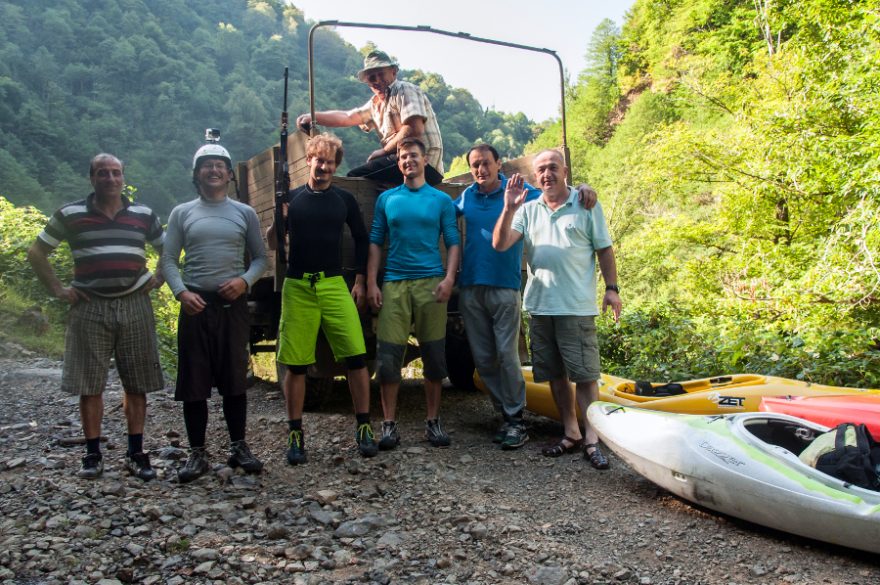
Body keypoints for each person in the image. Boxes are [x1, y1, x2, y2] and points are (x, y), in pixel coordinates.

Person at [27, 153, 165, 481]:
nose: (110, 179)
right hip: (89, 306)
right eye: (103, 173)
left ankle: (136, 452)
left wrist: (159, 277)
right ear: (92, 178)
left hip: (135, 303)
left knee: (137, 381)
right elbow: (36, 252)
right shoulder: (70, 214)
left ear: (123, 177)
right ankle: (92, 453)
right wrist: (59, 289)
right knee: (90, 384)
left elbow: (168, 248)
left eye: (116, 173)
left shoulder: (143, 214)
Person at [455, 144, 597, 450]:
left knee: (507, 356)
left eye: (486, 163)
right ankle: (506, 415)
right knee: (483, 359)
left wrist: (582, 188)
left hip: (506, 285)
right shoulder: (466, 196)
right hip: (470, 286)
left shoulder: (521, 192)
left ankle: (516, 419)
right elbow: (442, 213)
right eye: (475, 165)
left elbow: (555, 191)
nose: (481, 170)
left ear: (498, 165)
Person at [492, 149, 621, 469]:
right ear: (536, 177)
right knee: (555, 375)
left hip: (576, 306)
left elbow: (604, 250)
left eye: (552, 167)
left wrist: (612, 289)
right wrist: (508, 208)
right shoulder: (528, 208)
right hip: (540, 305)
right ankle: (571, 431)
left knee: (586, 375)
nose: (547, 174)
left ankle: (593, 438)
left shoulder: (586, 203)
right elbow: (500, 243)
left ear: (564, 171)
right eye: (541, 170)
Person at [265, 133, 378, 464]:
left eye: (330, 162)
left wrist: (359, 279)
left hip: (333, 284)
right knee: (297, 365)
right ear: (308, 161)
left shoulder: (343, 199)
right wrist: (279, 217)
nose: (324, 166)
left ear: (335, 165)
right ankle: (295, 434)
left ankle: (364, 427)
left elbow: (361, 238)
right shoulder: (293, 199)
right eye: (320, 160)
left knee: (356, 357)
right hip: (298, 286)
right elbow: (274, 243)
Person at [159, 139, 268, 483]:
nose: (213, 170)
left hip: (232, 305)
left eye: (219, 165)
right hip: (195, 305)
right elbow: (168, 260)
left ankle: (238, 446)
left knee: (235, 379)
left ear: (228, 173)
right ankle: (197, 453)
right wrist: (180, 293)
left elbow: (261, 259)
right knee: (194, 381)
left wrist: (244, 281)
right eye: (206, 165)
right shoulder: (182, 213)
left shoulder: (244, 213)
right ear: (197, 174)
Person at [366, 137, 460, 449]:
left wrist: (449, 279)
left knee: (434, 356)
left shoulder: (441, 200)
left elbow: (453, 241)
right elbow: (376, 241)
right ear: (399, 162)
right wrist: (371, 283)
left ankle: (433, 422)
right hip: (394, 284)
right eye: (403, 156)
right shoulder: (387, 199)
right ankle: (389, 424)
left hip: (431, 284)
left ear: (424, 160)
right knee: (389, 357)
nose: (408, 161)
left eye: (414, 156)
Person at [296, 50, 444, 186]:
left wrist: (384, 151)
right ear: (367, 82)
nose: (377, 80)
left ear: (393, 72)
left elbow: (414, 128)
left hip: (424, 164)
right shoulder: (376, 104)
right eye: (372, 77)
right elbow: (347, 117)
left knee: (354, 178)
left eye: (381, 74)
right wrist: (312, 116)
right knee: (367, 175)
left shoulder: (404, 90)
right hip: (402, 163)